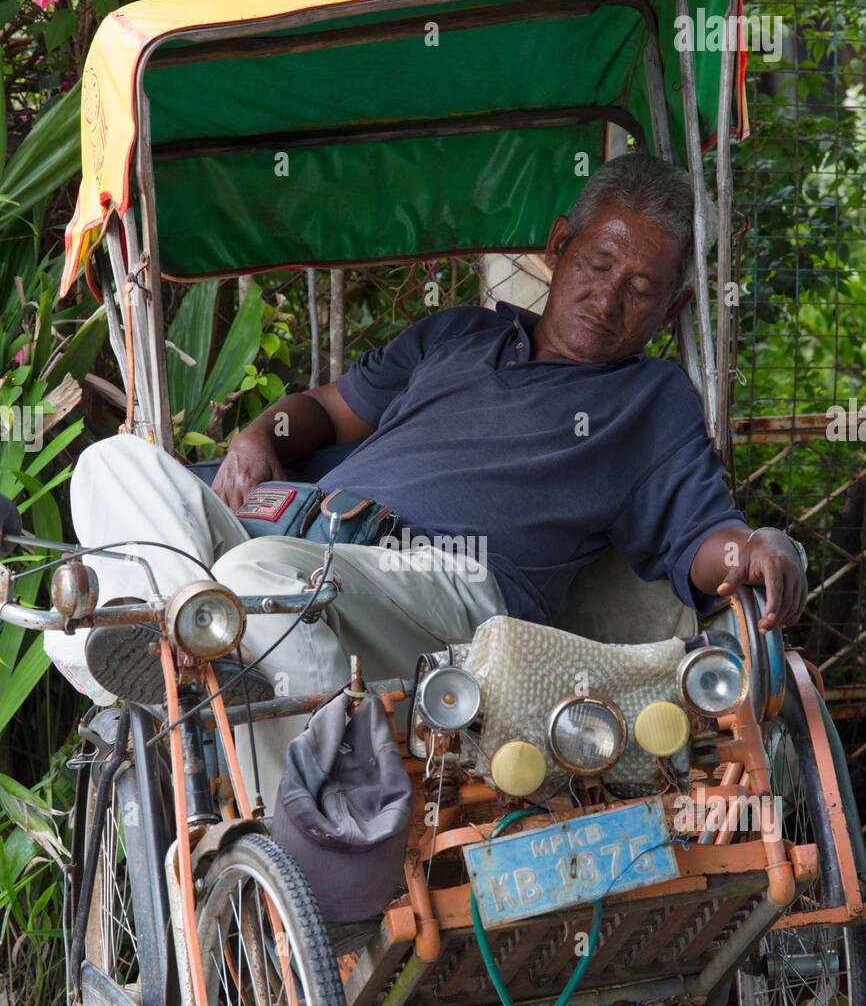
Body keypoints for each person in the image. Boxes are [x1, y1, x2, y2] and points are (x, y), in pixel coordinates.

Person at [45, 153, 807, 808]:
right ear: (558, 246)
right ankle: (191, 641)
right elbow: (324, 411)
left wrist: (760, 545)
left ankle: (311, 811)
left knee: (256, 580)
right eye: (598, 264)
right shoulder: (458, 334)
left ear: (674, 308)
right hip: (304, 538)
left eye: (641, 288)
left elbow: (706, 539)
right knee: (110, 465)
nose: (608, 299)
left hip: (448, 588)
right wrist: (257, 435)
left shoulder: (652, 402)